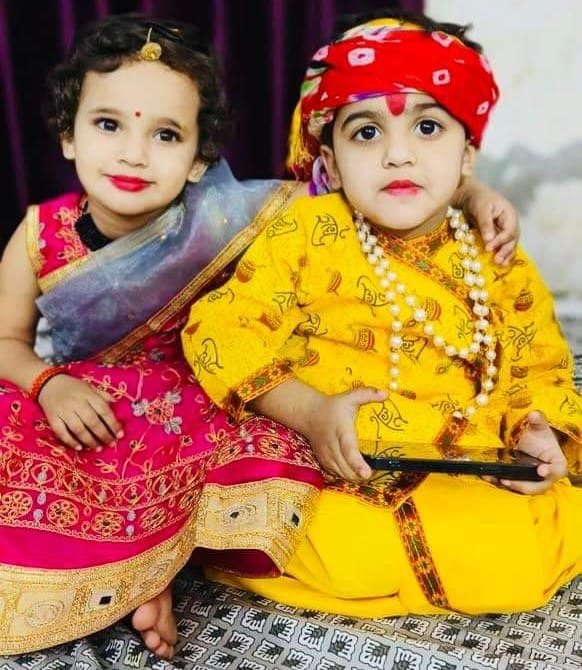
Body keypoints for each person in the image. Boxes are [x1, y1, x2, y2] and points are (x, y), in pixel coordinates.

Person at [0, 11, 520, 659]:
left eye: (166, 134)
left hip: (193, 408)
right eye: (108, 125)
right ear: (68, 136)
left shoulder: (227, 217)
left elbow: (360, 185)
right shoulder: (37, 235)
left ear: (199, 160)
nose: (134, 153)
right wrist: (48, 386)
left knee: (282, 444)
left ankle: (150, 575)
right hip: (82, 403)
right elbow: (7, 343)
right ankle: (138, 578)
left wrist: (470, 192)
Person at [182, 12, 582, 619]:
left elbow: (538, 362)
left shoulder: (492, 252)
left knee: (523, 549)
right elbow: (222, 328)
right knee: (341, 546)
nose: (398, 155)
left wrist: (537, 435)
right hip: (333, 460)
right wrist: (310, 411)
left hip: (464, 465)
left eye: (428, 127)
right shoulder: (308, 230)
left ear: (467, 155)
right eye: (367, 133)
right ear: (333, 160)